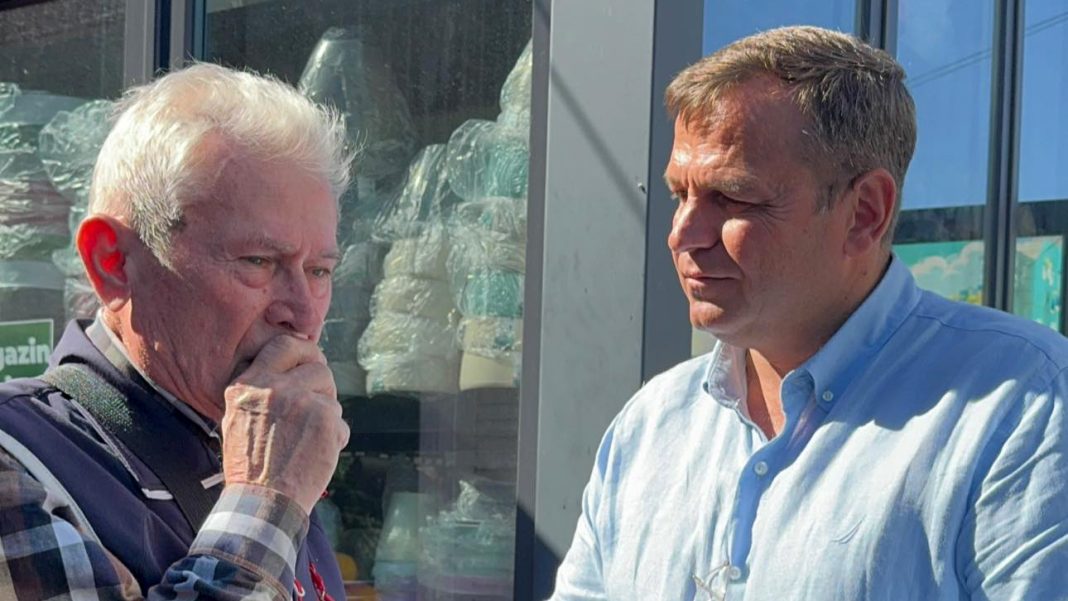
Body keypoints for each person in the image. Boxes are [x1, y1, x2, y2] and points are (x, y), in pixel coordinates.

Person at [549, 25, 1068, 600]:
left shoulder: (1024, 407)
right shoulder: (651, 425)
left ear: (865, 213)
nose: (682, 234)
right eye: (680, 195)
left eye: (732, 197)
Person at [0, 63, 352, 599]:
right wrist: (266, 500)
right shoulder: (18, 459)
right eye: (258, 261)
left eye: (319, 271)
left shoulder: (264, 443)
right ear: (112, 262)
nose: (303, 314)